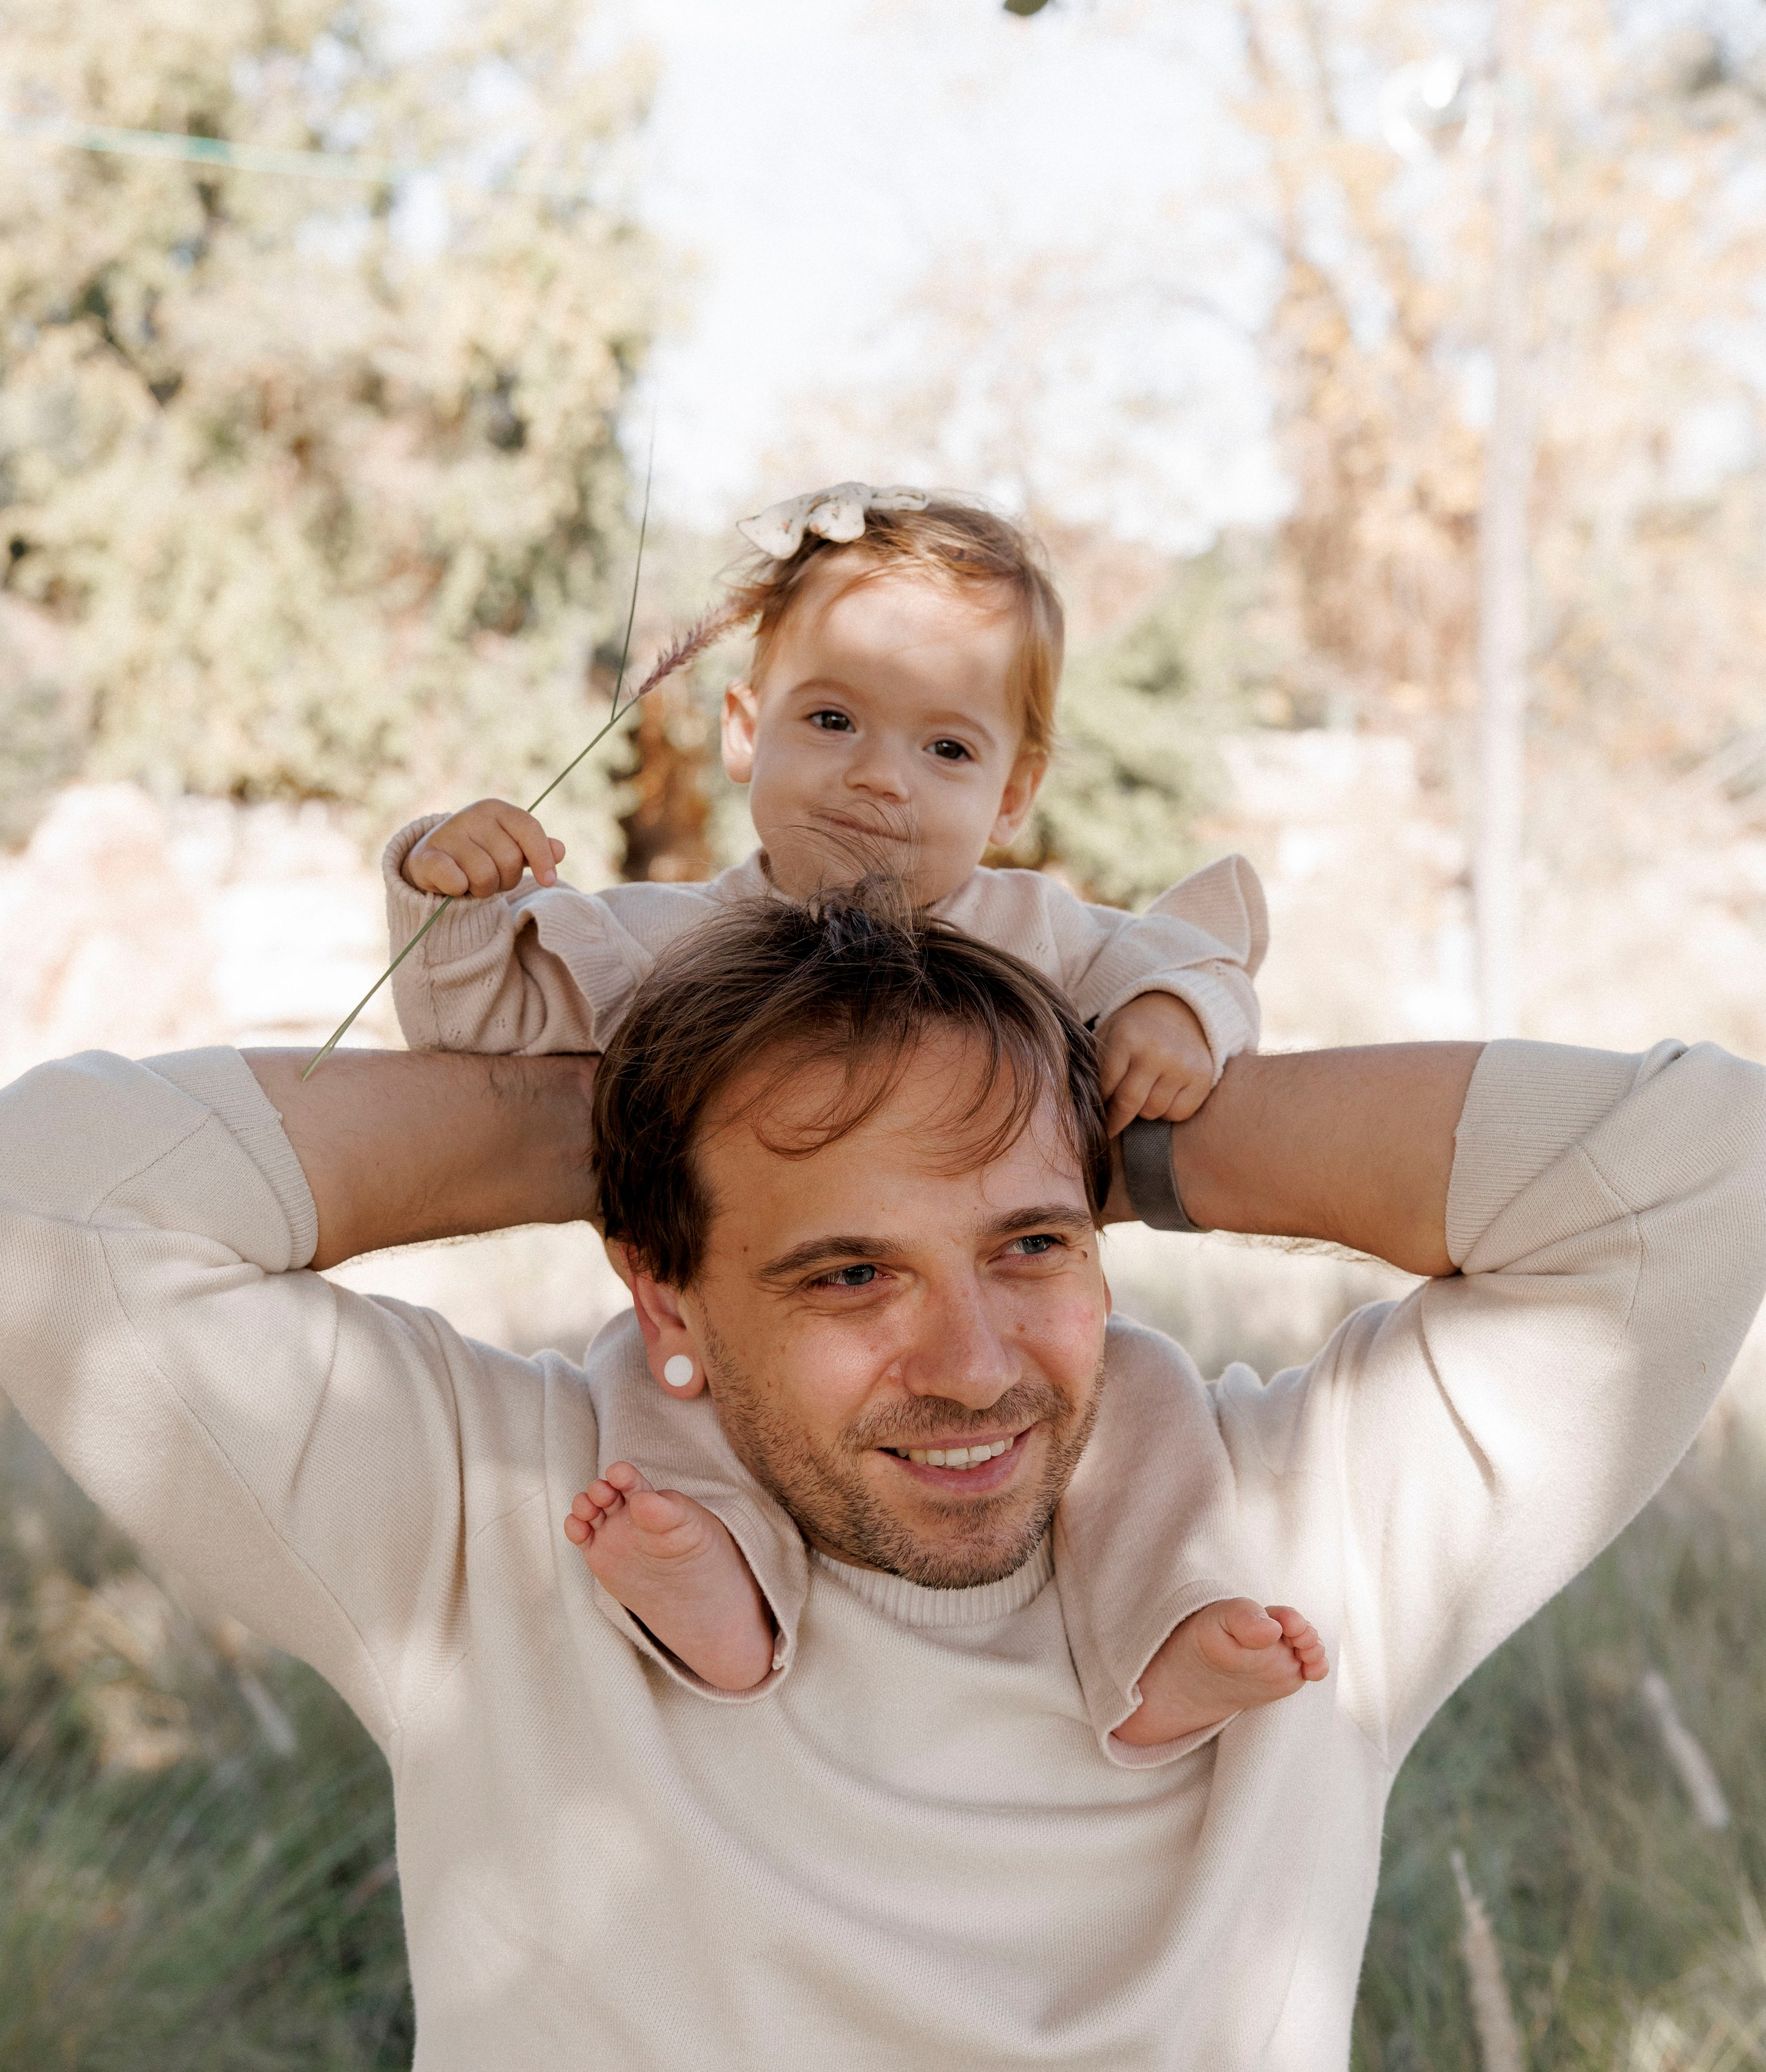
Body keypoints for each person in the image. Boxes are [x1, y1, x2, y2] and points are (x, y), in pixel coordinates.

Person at [2, 893, 1763, 2072]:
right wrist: (655, 1112)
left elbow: (1698, 1164)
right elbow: (60, 1197)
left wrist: (1114, 1128)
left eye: (1031, 1244)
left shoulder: (1288, 1544)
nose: (972, 1360)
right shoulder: (497, 1518)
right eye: (847, 1272)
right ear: (665, 1296)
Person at [384, 483, 1299, 1752]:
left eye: (947, 750)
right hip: (763, 1328)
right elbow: (486, 1021)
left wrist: (1172, 1017)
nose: (881, 779)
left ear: (1015, 786)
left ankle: (1163, 1626)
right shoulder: (678, 941)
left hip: (993, 1324)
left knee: (1143, 1392)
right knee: (646, 1373)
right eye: (832, 720)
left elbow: (1198, 946)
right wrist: (454, 890)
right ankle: (719, 1580)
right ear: (746, 728)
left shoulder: (1035, 933)